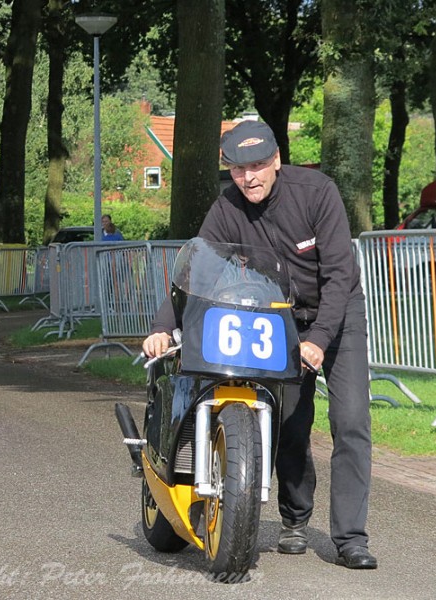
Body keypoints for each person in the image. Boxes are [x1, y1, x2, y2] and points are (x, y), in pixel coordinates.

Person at [142, 120, 376, 570]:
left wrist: (320, 341)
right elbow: (197, 273)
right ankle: (294, 520)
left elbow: (340, 274)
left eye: (256, 167)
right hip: (277, 319)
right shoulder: (227, 206)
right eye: (237, 169)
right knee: (288, 422)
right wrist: (162, 326)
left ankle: (351, 538)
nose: (248, 178)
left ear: (276, 161)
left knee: (350, 422)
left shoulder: (317, 192)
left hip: (337, 315)